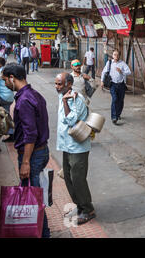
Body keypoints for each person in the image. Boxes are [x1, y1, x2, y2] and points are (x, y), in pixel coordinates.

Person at [1, 63, 50, 237]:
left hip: (33, 154)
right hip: (40, 151)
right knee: (33, 195)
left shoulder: (24, 101)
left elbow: (31, 134)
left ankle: (42, 233)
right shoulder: (35, 95)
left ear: (12, 78)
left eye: (5, 80)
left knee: (32, 198)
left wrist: (26, 163)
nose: (5, 84)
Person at [55, 72, 96, 225]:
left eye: (60, 84)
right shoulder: (62, 96)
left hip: (78, 147)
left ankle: (88, 209)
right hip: (66, 146)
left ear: (69, 84)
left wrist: (66, 102)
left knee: (78, 180)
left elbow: (71, 120)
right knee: (68, 177)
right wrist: (64, 100)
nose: (57, 87)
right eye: (56, 83)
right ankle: (80, 205)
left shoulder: (76, 99)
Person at [101, 49, 131, 124]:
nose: (116, 56)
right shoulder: (109, 63)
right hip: (113, 84)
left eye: (117, 55)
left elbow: (129, 72)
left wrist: (121, 71)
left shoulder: (122, 63)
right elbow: (104, 72)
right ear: (112, 55)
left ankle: (118, 114)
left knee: (120, 101)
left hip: (121, 85)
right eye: (114, 54)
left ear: (119, 55)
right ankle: (114, 117)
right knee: (114, 99)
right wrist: (102, 81)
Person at [0, 57, 15, 144]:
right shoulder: (6, 71)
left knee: (2, 115)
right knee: (8, 114)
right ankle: (11, 133)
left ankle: (6, 132)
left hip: (3, 97)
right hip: (10, 96)